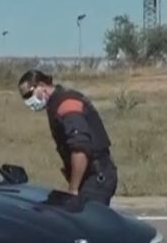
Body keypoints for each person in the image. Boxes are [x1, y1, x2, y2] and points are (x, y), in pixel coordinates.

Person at [17, 69, 119, 205]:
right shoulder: (55, 103)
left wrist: (73, 189)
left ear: (41, 85)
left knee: (84, 216)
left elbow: (80, 149)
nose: (28, 101)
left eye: (29, 95)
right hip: (89, 176)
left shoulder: (66, 103)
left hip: (96, 177)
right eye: (24, 98)